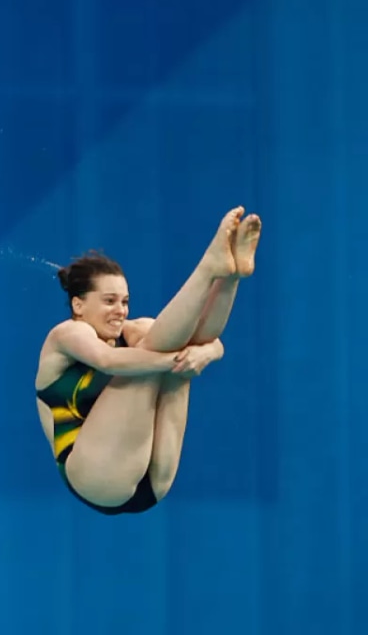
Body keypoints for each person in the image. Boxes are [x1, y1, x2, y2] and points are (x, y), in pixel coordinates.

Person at [34, 206, 262, 515]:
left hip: (153, 481)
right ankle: (208, 269)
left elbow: (206, 343)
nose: (121, 310)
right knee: (148, 361)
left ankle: (230, 275)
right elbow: (109, 361)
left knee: (160, 341)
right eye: (109, 301)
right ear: (78, 304)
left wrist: (206, 353)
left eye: (125, 301)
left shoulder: (135, 331)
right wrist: (179, 362)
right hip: (94, 477)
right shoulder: (66, 336)